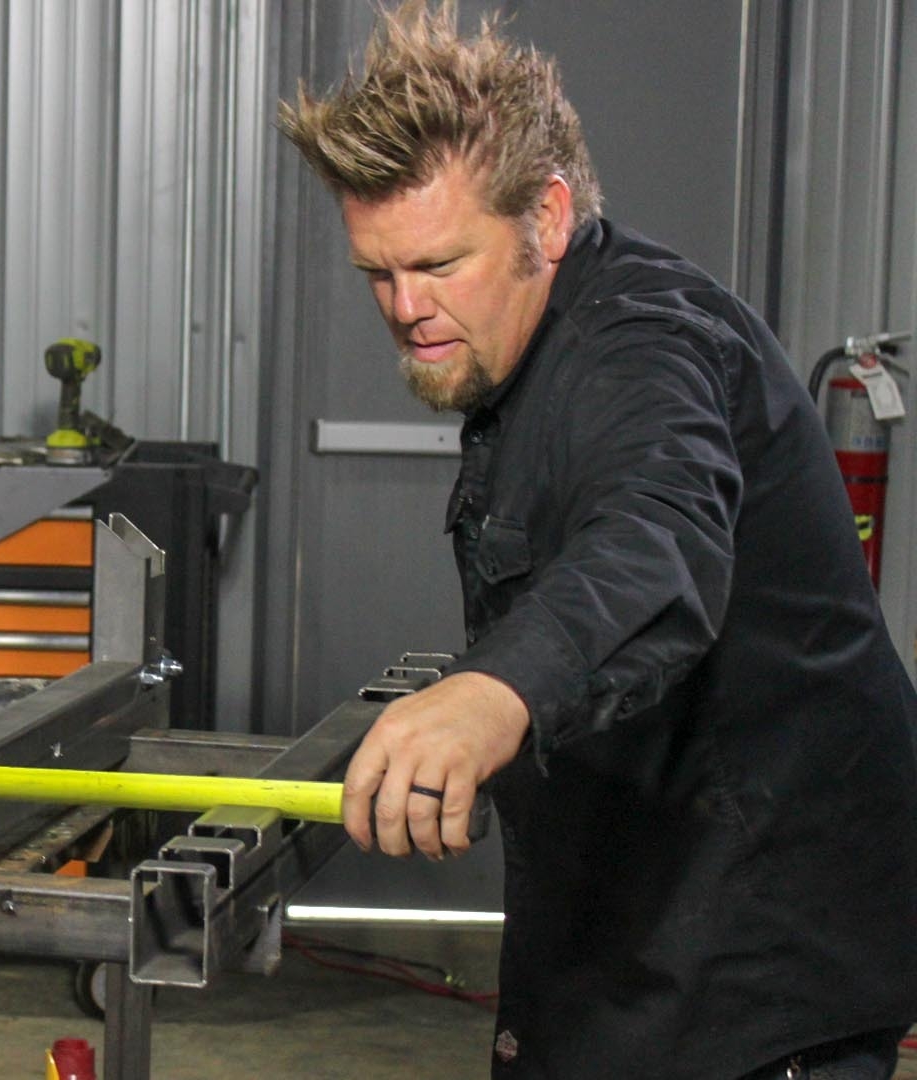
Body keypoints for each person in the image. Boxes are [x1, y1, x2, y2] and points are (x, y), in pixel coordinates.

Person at [278, 3, 917, 1077]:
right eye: (377, 274)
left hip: (759, 964)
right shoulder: (526, 353)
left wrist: (494, 692)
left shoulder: (647, 349)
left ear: (549, 216)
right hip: (638, 916)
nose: (405, 307)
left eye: (439, 263)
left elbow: (653, 538)